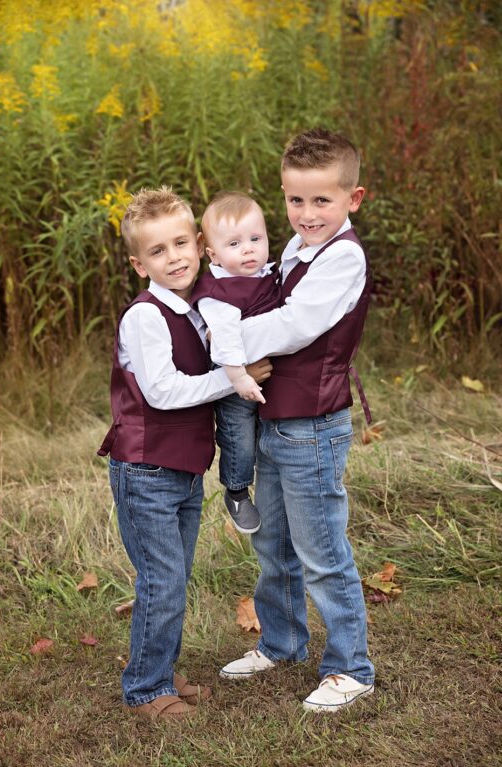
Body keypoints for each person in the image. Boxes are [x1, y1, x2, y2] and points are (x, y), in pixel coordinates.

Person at [97, 187, 271, 719]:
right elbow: (163, 392)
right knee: (162, 581)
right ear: (137, 263)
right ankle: (146, 690)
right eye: (157, 251)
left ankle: (161, 671)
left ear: (199, 243)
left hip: (184, 470)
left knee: (174, 578)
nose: (172, 257)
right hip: (146, 468)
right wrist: (233, 379)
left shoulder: (201, 307)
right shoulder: (145, 317)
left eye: (180, 244)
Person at [219, 128, 376, 713]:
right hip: (274, 422)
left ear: (352, 199)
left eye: (321, 201)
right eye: (295, 200)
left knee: (322, 553)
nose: (306, 213)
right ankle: (282, 643)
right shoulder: (293, 248)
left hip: (312, 427)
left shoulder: (344, 258)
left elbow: (292, 327)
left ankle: (350, 667)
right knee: (274, 545)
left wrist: (220, 340)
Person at [191, 191, 280, 534]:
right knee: (239, 433)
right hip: (234, 376)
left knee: (265, 432)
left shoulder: (268, 274)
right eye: (234, 244)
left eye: (256, 239)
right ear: (212, 254)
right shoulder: (218, 293)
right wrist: (239, 379)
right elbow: (225, 340)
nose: (248, 249)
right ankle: (237, 490)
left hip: (269, 372)